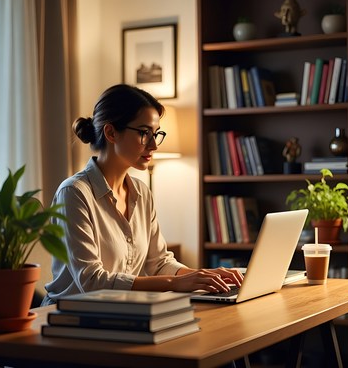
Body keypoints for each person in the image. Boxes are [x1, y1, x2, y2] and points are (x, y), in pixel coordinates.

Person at [41, 84, 243, 305]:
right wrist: (174, 283)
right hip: (69, 319)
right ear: (111, 132)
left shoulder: (141, 192)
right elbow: (92, 281)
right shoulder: (74, 193)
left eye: (156, 134)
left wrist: (203, 276)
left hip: (122, 314)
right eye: (144, 133)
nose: (154, 144)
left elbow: (158, 263)